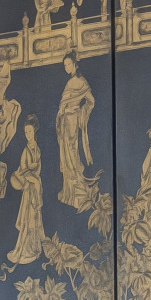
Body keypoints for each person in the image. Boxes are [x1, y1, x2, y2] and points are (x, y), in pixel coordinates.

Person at [54, 55, 95, 214]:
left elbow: (91, 101)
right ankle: (68, 192)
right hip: (65, 121)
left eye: (69, 64)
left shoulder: (81, 82)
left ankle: (77, 189)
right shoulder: (69, 82)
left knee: (72, 152)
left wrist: (79, 112)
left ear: (75, 64)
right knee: (65, 154)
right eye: (65, 65)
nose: (67, 67)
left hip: (72, 120)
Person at [6, 124, 47, 265]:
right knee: (28, 218)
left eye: (29, 131)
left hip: (35, 186)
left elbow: (38, 168)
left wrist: (36, 179)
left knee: (35, 217)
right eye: (25, 132)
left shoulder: (38, 149)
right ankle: (24, 250)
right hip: (29, 188)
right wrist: (33, 178)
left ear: (34, 131)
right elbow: (23, 169)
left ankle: (35, 248)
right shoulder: (25, 150)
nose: (27, 134)